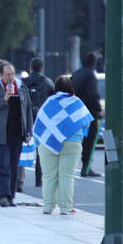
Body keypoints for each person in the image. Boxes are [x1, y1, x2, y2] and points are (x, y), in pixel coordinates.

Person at [35, 77, 93, 215]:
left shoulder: (49, 102)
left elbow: (40, 123)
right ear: (71, 87)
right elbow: (86, 122)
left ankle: (48, 207)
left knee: (49, 176)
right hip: (72, 143)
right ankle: (66, 207)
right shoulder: (77, 102)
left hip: (47, 143)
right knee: (67, 176)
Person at [0, 62, 33, 207]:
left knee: (13, 166)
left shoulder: (21, 87)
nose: (11, 77)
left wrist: (29, 130)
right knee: (2, 165)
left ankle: (11, 195)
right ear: (0, 75)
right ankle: (2, 195)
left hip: (17, 132)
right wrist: (4, 99)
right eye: (7, 75)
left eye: (12, 74)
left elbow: (28, 109)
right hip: (0, 134)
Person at [71, 52, 104, 177]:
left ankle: (75, 166)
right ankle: (86, 167)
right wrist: (99, 110)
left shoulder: (76, 74)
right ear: (94, 63)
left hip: (75, 113)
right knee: (89, 141)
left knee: (78, 140)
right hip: (88, 114)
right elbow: (93, 95)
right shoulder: (90, 75)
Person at [24, 57, 55, 187]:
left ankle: (19, 180)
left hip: (26, 118)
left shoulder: (23, 82)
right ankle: (39, 180)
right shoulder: (47, 82)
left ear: (30, 68)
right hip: (43, 119)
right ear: (42, 68)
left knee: (20, 149)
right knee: (41, 150)